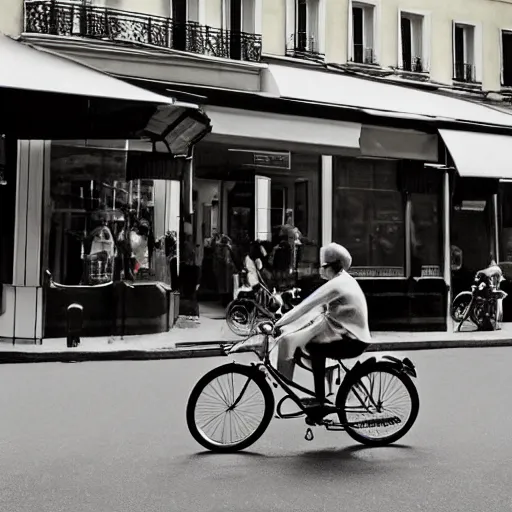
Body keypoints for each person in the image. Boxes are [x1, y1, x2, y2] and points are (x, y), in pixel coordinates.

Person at [273, 242, 372, 415]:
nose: (321, 270)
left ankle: (320, 400)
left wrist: (279, 324)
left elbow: (306, 306)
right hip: (349, 335)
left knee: (314, 348)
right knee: (312, 344)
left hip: (354, 340)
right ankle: (322, 392)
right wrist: (291, 322)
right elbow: (315, 312)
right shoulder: (343, 279)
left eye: (323, 266)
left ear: (331, 267)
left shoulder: (337, 284)